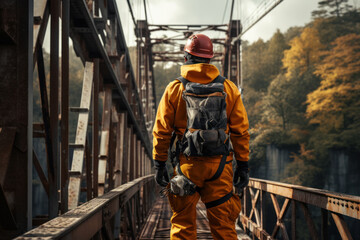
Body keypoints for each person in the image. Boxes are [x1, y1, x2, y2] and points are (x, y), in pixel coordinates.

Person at [152, 33, 250, 240]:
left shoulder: (175, 88)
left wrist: (159, 163)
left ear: (186, 57)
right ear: (209, 58)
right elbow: (240, 132)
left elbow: (162, 130)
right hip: (221, 166)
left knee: (183, 224)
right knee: (224, 227)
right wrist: (243, 165)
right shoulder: (228, 88)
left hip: (187, 166)